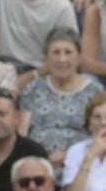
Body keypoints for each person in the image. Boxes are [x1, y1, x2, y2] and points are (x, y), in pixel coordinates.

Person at [16, 29, 97, 164]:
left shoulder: (94, 92)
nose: (62, 59)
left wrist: (69, 155)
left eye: (68, 52)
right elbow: (22, 132)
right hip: (37, 164)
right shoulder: (33, 88)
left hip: (79, 163)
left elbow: (99, 136)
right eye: (56, 52)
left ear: (78, 58)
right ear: (46, 58)